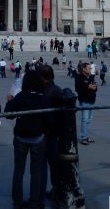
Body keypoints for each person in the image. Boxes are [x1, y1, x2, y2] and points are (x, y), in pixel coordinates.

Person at [4, 70, 50, 209]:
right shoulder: (43, 98)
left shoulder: (21, 96)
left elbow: (8, 114)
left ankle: (17, 201)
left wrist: (11, 102)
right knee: (36, 171)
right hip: (37, 137)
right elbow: (49, 119)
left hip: (20, 136)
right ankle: (34, 202)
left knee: (19, 170)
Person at [40, 65, 63, 202]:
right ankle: (54, 189)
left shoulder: (52, 91)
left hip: (49, 133)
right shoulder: (56, 89)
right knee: (52, 164)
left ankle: (52, 189)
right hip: (51, 132)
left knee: (49, 163)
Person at [74, 62, 97, 145]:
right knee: (85, 119)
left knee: (89, 120)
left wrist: (93, 87)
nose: (90, 69)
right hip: (84, 101)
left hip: (92, 100)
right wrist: (88, 86)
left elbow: (95, 87)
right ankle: (84, 137)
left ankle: (86, 136)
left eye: (90, 68)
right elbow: (77, 88)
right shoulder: (79, 77)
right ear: (84, 69)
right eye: (89, 68)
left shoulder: (91, 77)